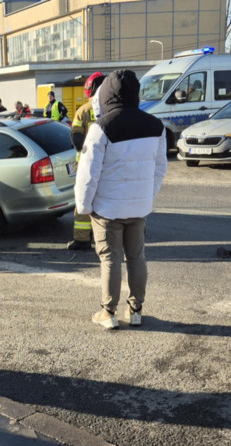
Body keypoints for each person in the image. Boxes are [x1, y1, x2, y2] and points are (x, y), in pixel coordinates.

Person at [75, 69, 167, 330]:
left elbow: (88, 175)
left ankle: (108, 312)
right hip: (139, 207)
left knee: (110, 259)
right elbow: (160, 167)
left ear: (108, 94)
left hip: (107, 208)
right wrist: (147, 197)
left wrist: (84, 206)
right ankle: (136, 310)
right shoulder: (156, 126)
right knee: (137, 257)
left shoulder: (100, 128)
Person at [67, 71, 105, 251]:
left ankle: (82, 239)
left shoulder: (83, 111)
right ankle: (105, 239)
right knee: (104, 202)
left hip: (86, 166)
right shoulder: (112, 110)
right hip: (108, 165)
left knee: (83, 201)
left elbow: (76, 139)